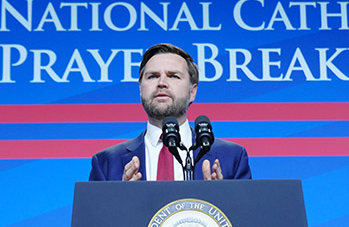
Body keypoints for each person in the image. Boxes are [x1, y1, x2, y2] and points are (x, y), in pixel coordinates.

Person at [88, 43, 252, 181]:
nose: (161, 83)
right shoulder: (106, 163)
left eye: (173, 76)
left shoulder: (232, 157)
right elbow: (95, 219)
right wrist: (121, 201)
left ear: (192, 91)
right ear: (140, 89)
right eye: (152, 76)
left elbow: (247, 218)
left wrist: (223, 199)